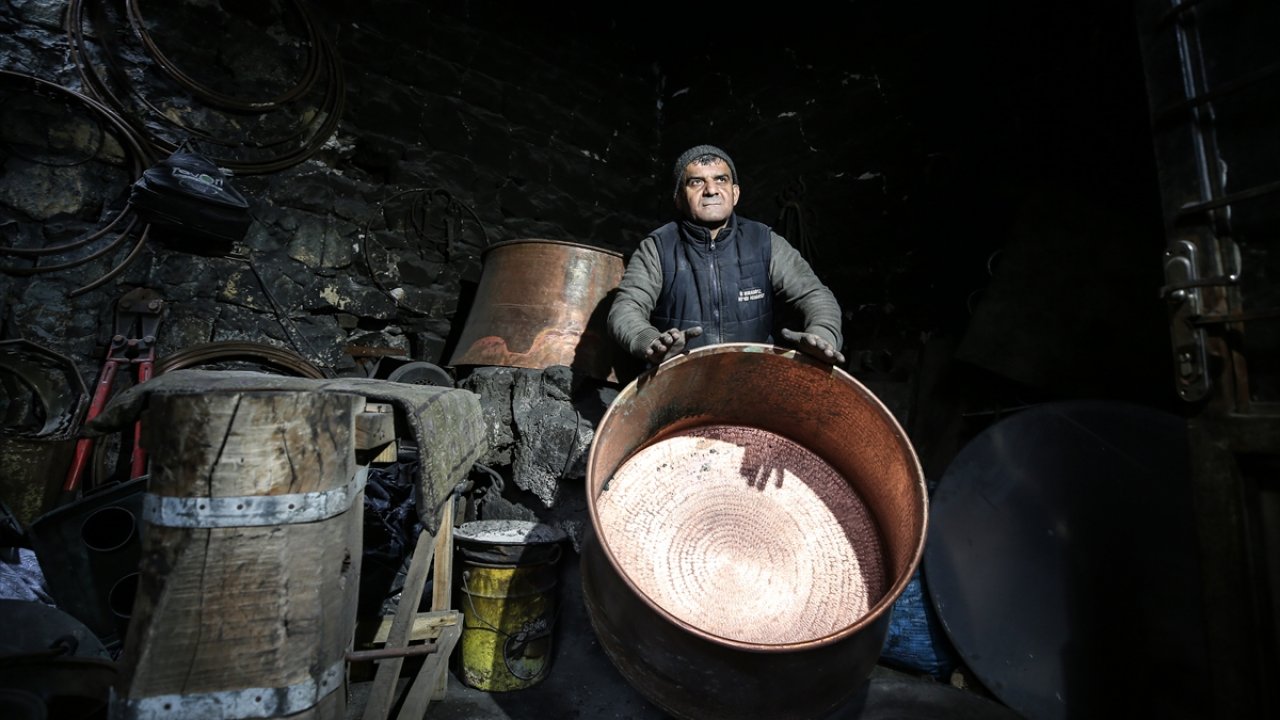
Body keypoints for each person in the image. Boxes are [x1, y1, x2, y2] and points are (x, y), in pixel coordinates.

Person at [608, 144, 845, 366]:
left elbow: (816, 296)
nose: (711, 190)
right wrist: (649, 341)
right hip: (679, 381)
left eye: (720, 179)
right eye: (696, 182)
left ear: (735, 193)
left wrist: (822, 334)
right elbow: (626, 309)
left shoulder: (764, 241)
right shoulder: (657, 247)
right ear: (679, 198)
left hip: (752, 376)